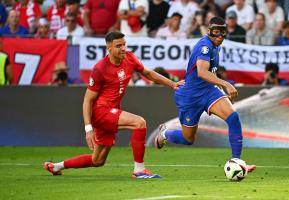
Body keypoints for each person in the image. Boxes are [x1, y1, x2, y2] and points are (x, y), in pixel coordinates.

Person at [43, 31, 184, 178]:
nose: (123, 48)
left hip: (112, 111)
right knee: (139, 123)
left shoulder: (129, 57)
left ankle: (56, 166)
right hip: (100, 112)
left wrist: (172, 84)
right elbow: (87, 100)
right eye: (118, 46)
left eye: (124, 44)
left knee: (97, 160)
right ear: (109, 48)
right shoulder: (100, 69)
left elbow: (148, 73)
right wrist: (88, 129)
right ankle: (139, 170)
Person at [153, 16, 256, 173]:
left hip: (208, 90)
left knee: (233, 117)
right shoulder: (205, 46)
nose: (220, 37)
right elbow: (201, 72)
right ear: (209, 32)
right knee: (188, 139)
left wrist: (219, 87)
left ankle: (237, 161)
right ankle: (165, 133)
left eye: (223, 33)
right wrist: (226, 84)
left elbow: (206, 75)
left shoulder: (216, 45)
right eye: (216, 33)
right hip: (191, 96)